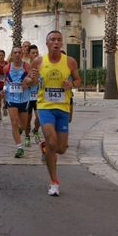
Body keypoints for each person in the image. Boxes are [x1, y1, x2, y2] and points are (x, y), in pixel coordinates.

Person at [25, 30, 81, 196]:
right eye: (53, 40)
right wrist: (31, 78)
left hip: (62, 108)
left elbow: (78, 80)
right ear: (47, 43)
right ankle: (54, 182)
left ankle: (44, 148)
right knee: (52, 140)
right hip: (44, 107)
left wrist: (71, 84)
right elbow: (28, 81)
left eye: (59, 40)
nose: (56, 42)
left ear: (62, 43)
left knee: (61, 148)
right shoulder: (38, 61)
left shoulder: (70, 62)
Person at [1, 47, 31, 158]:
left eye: (19, 53)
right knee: (14, 122)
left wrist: (28, 84)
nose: (17, 55)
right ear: (12, 55)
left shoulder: (27, 67)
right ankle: (19, 148)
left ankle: (18, 131)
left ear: (22, 54)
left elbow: (34, 80)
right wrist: (4, 89)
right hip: (11, 98)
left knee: (23, 125)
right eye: (15, 53)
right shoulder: (6, 68)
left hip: (24, 98)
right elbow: (5, 80)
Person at [24, 44, 41, 147]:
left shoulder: (41, 65)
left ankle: (35, 130)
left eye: (36, 53)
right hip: (28, 96)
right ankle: (26, 136)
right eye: (33, 53)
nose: (35, 55)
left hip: (39, 96)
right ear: (29, 54)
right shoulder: (25, 66)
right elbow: (23, 82)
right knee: (28, 118)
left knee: (39, 117)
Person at [0, 50, 9, 120]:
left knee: (5, 98)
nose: (1, 56)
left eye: (2, 55)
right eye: (0, 55)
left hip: (5, 83)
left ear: (4, 56)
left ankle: (4, 107)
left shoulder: (7, 64)